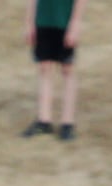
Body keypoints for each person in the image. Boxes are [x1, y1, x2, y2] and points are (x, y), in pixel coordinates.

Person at [20, 0, 88, 141]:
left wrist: (75, 23)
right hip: (43, 21)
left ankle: (67, 123)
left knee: (67, 69)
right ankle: (44, 121)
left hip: (64, 21)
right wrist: (29, 22)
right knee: (44, 68)